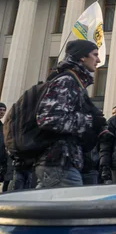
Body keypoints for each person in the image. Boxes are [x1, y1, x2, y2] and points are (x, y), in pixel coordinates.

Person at [35, 40, 109, 188]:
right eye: (95, 55)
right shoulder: (67, 81)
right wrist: (89, 120)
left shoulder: (74, 81)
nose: (99, 60)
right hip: (59, 162)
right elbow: (48, 119)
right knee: (69, 209)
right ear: (82, 57)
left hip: (62, 162)